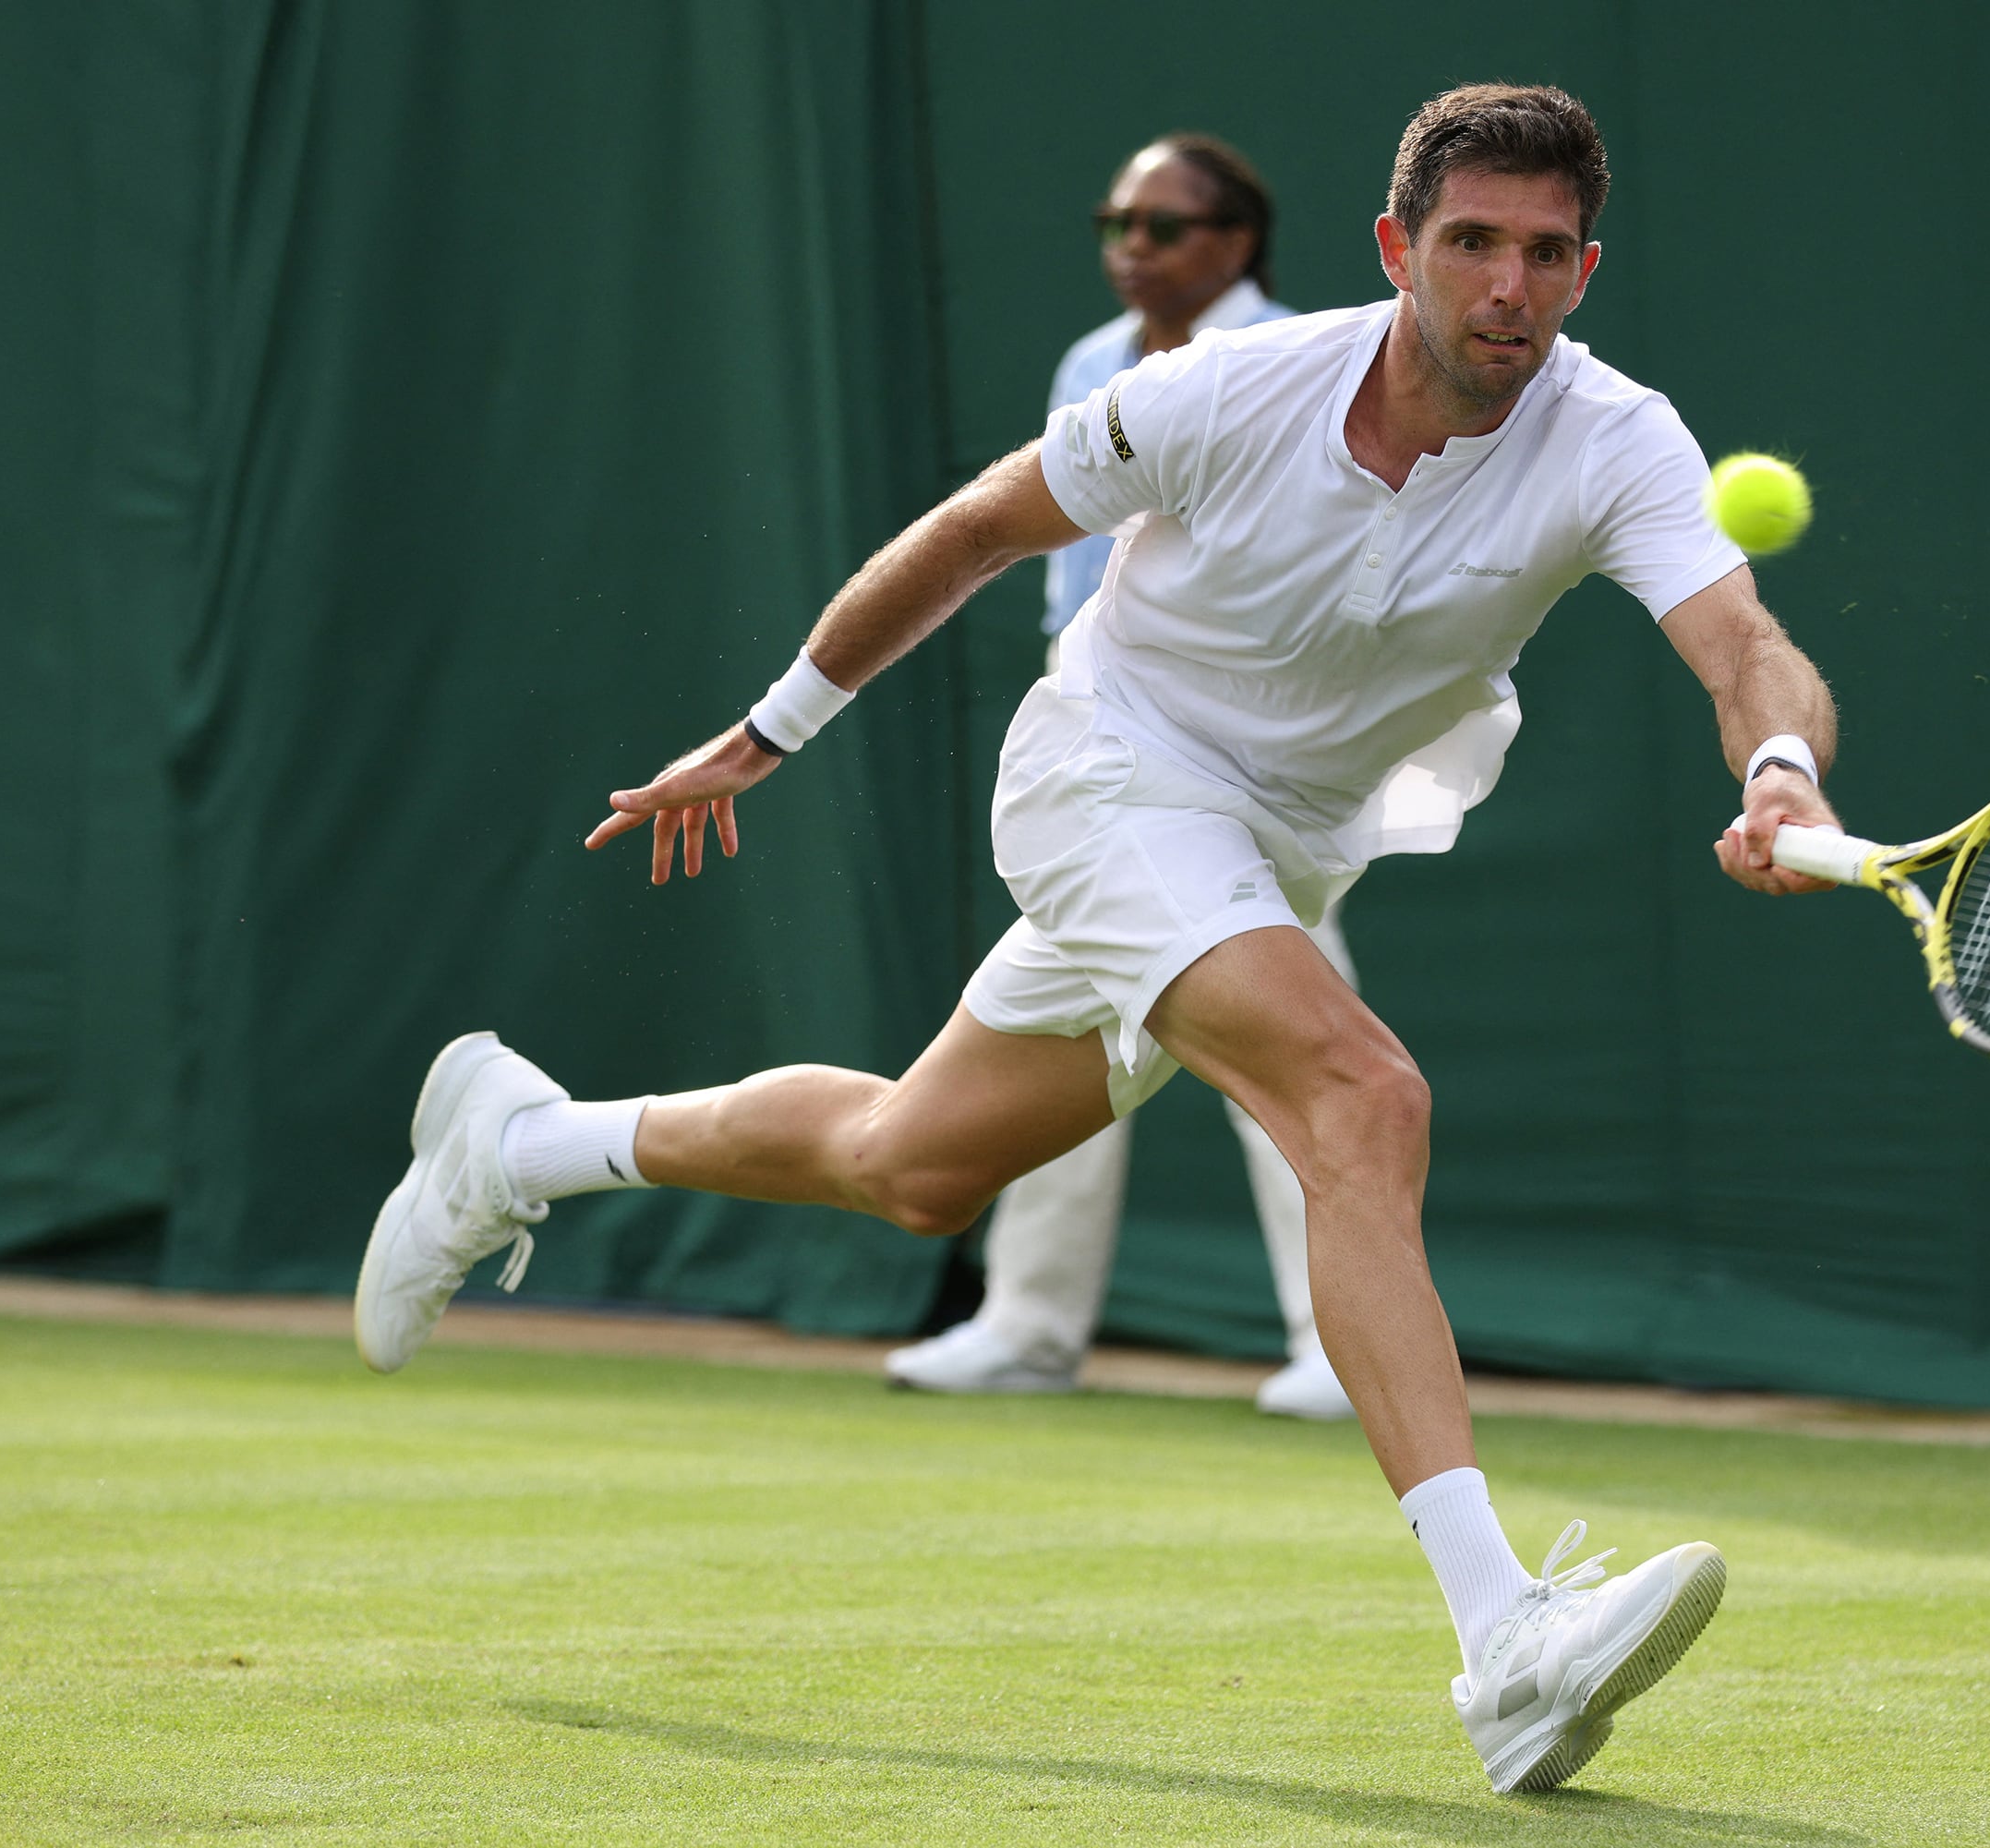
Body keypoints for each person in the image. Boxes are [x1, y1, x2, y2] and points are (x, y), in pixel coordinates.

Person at [355, 83, 1842, 1798]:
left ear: (1586, 267)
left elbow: (1743, 646)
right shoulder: (1224, 388)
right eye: (1472, 244)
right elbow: (979, 530)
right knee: (1364, 1097)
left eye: (1548, 253)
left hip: (1274, 849)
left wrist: (1782, 772)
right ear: (1396, 248)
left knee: (910, 1163)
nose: (1510, 287)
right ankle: (1504, 1635)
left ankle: (520, 1141)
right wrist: (764, 734)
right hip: (1109, 775)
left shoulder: (1617, 437)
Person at [891, 133, 1356, 1420]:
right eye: (1116, 225)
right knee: (1062, 1028)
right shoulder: (1092, 363)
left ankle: (1340, 1339)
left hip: (1256, 754)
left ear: (1237, 243)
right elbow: (1063, 568)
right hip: (1108, 752)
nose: (1130, 249)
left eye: (1162, 227)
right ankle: (1029, 1326)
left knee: (1298, 1045)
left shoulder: (1300, 363)